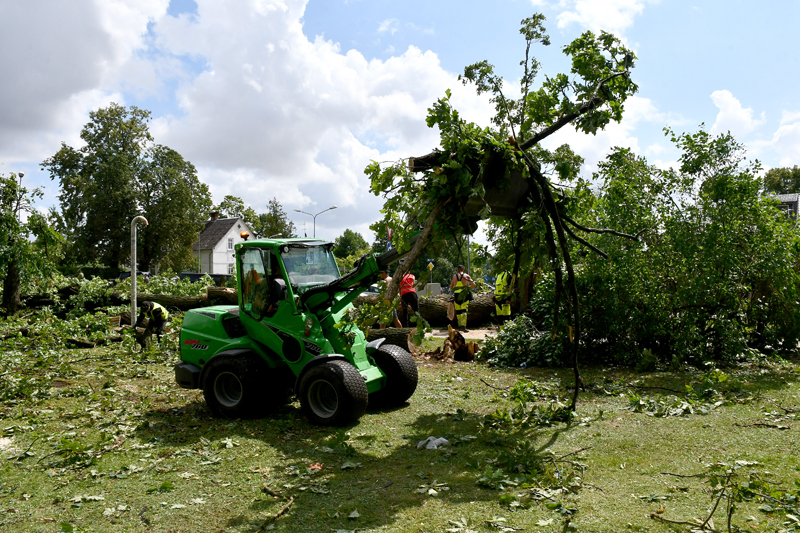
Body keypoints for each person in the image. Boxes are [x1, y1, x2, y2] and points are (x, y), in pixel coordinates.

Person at [450, 264, 476, 332]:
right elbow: (473, 285)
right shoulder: (466, 276)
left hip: (457, 295)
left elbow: (451, 287)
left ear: (457, 270)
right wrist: (467, 288)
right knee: (464, 310)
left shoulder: (454, 276)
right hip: (464, 294)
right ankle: (463, 326)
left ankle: (459, 326)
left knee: (458, 311)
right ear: (463, 270)